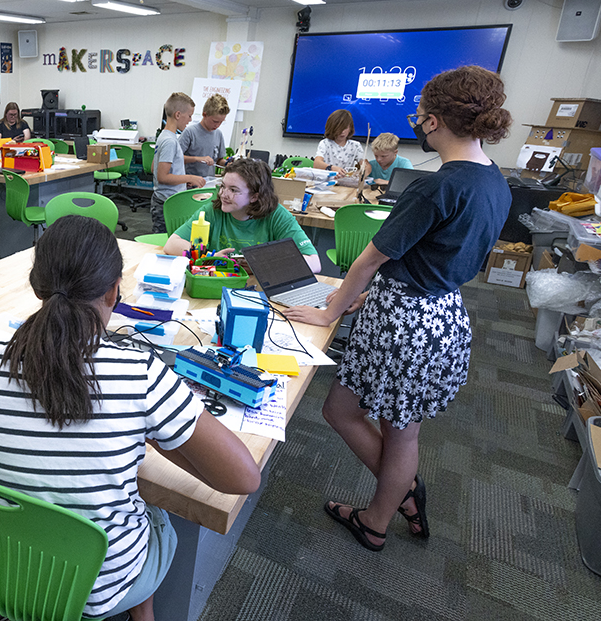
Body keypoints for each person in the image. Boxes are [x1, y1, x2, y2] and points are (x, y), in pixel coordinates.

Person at [0, 215, 260, 621]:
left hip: (3, 561)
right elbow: (242, 479)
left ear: (35, 286)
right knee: (155, 512)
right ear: (115, 292)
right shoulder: (140, 375)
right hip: (98, 589)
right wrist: (151, 434)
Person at [284, 66, 514, 552]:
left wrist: (331, 312)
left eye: (419, 115)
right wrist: (379, 294)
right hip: (438, 310)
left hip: (407, 323)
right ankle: (401, 489)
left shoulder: (435, 186)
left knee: (399, 431)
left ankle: (377, 519)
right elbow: (438, 256)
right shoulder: (495, 179)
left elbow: (369, 260)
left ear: (433, 122)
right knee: (348, 411)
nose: (416, 122)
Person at [163, 158, 320, 273]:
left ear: (255, 197)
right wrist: (210, 257)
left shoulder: (276, 216)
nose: (223, 194)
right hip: (218, 282)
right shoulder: (214, 211)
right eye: (223, 186)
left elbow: (314, 262)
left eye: (233, 190)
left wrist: (262, 264)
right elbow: (172, 244)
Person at [151, 92, 206, 234]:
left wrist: (181, 181)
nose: (190, 120)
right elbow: (162, 176)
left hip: (165, 200)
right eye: (189, 116)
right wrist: (189, 177)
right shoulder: (170, 141)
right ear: (178, 115)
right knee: (163, 242)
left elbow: (153, 168)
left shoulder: (164, 136)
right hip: (166, 203)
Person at [180, 93, 230, 179]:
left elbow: (218, 160)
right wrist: (197, 159)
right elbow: (176, 158)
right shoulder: (190, 132)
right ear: (204, 115)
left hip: (208, 184)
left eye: (221, 122)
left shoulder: (219, 134)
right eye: (215, 121)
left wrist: (226, 164)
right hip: (190, 184)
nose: (217, 125)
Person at [313, 109, 365, 176]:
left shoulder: (355, 145)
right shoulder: (325, 143)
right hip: (327, 182)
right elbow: (316, 164)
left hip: (345, 183)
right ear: (332, 128)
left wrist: (359, 173)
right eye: (339, 128)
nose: (342, 132)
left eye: (345, 128)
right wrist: (332, 168)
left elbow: (365, 165)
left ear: (350, 128)